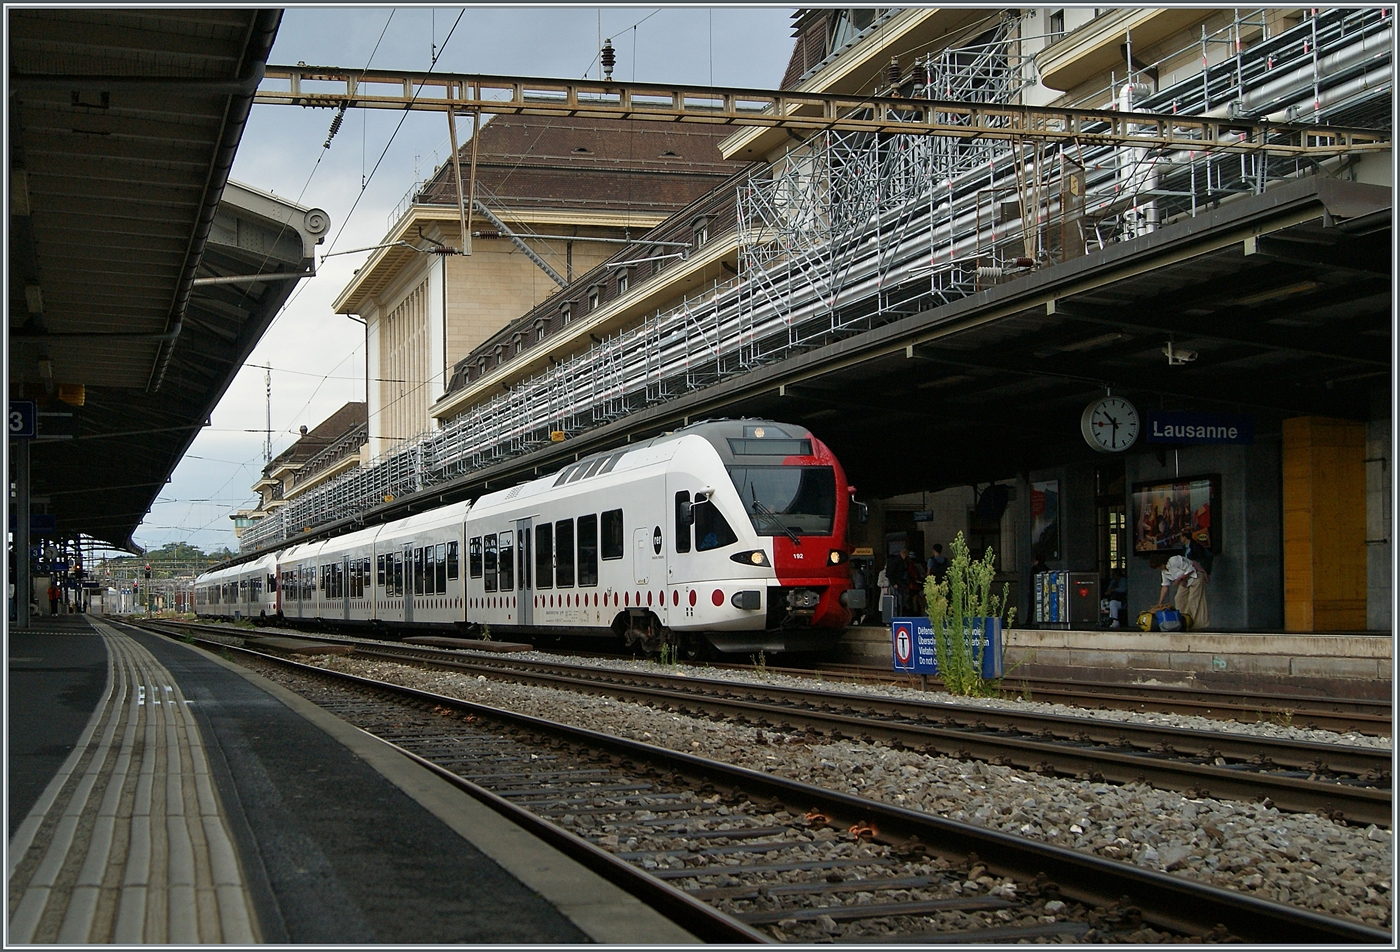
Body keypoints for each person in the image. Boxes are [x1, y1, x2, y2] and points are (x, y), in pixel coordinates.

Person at [1148, 551, 1208, 629]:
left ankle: (1198, 624)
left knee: (1194, 599)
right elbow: (1165, 586)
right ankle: (1185, 621)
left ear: (1161, 563)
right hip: (1184, 582)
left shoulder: (1174, 560)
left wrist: (1179, 579)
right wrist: (1160, 602)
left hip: (1195, 577)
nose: (1159, 568)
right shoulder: (1164, 572)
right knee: (1179, 598)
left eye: (1159, 566)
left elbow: (1191, 569)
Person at [886, 547, 909, 614]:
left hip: (901, 583)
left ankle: (900, 613)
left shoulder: (903, 561)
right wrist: (894, 583)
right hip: (897, 583)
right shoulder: (896, 561)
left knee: (901, 600)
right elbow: (890, 573)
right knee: (897, 600)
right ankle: (898, 614)